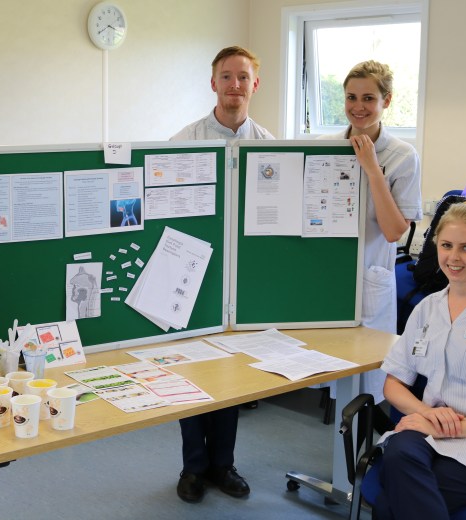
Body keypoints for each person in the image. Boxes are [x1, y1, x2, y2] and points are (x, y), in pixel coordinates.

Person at [374, 200, 466, 519]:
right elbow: (394, 384)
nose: (453, 258)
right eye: (446, 245)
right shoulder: (427, 308)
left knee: (389, 504)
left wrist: (449, 428)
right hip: (427, 431)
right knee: (399, 454)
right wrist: (428, 415)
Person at [171, 45, 275, 503]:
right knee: (191, 371)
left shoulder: (271, 147)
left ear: (256, 84)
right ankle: (193, 468)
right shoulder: (182, 142)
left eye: (243, 77)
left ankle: (223, 465)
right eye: (226, 77)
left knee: (232, 373)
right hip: (193, 271)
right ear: (213, 83)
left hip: (244, 276)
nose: (235, 85)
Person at [317, 60, 422, 429]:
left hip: (370, 278)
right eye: (350, 97)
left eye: (368, 98)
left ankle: (362, 471)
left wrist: (372, 167)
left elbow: (395, 230)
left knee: (367, 380)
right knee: (334, 373)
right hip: (327, 274)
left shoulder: (402, 155)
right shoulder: (325, 147)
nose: (358, 106)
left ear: (386, 100)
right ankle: (345, 467)